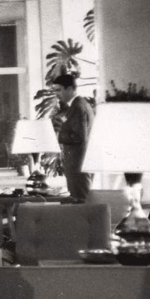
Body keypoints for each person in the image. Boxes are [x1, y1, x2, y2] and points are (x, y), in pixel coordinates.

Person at [50, 73, 95, 202]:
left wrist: (57, 135)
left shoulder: (78, 106)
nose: (57, 94)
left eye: (59, 90)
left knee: (80, 201)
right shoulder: (78, 105)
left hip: (78, 164)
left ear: (69, 89)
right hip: (78, 163)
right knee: (79, 200)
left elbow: (78, 136)